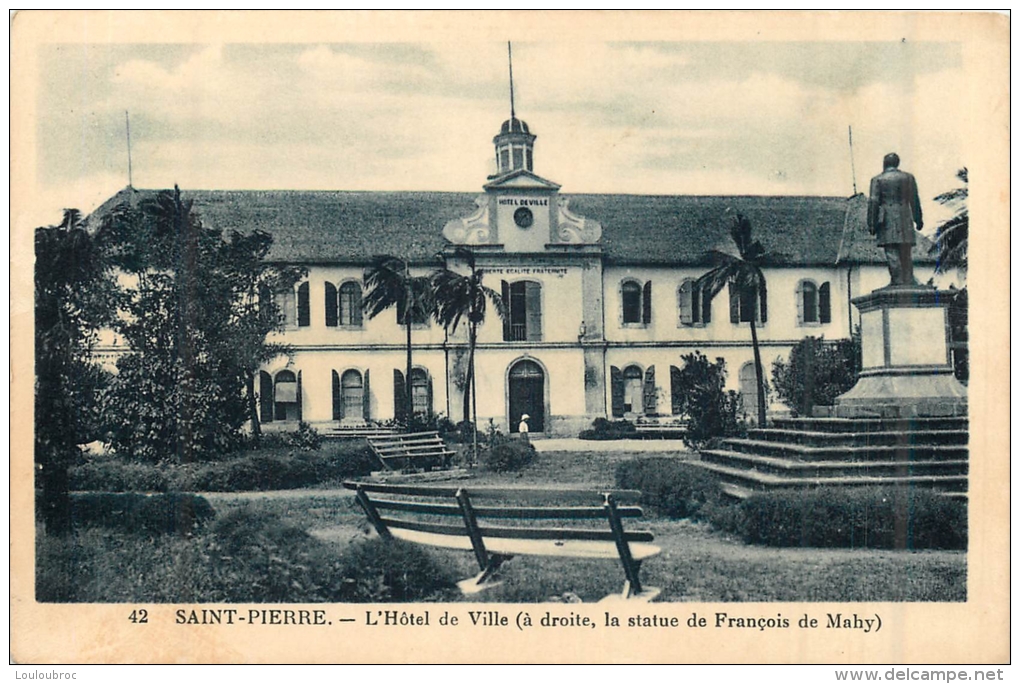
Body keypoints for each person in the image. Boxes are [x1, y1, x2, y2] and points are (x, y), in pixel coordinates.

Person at [867, 152, 924, 286]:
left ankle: (897, 280)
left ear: (884, 163)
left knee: (891, 250)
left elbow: (873, 202)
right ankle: (908, 279)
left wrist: (871, 223)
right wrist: (918, 219)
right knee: (905, 251)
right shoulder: (908, 178)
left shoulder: (878, 180)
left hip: (887, 219)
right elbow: (914, 200)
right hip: (905, 217)